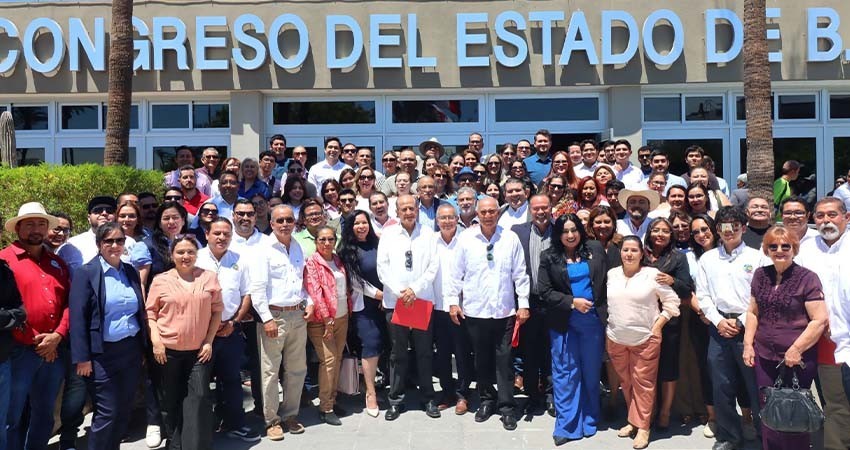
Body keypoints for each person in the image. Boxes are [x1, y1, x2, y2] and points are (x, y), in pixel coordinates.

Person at [446, 196, 530, 431]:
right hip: (475, 310)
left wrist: (523, 303)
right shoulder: (466, 239)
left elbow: (520, 274)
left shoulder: (510, 238)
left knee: (504, 360)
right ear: (477, 213)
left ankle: (506, 407)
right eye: (484, 212)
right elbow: (455, 274)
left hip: (504, 310)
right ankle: (486, 400)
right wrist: (453, 302)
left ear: (498, 213)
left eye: (492, 211)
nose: (488, 215)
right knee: (481, 359)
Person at [741, 225, 827, 450]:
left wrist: (796, 349)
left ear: (794, 249)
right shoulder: (760, 275)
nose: (779, 250)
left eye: (785, 246)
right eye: (773, 246)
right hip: (764, 356)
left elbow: (819, 320)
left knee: (793, 413)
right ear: (766, 249)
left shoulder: (808, 278)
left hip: (797, 358)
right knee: (768, 409)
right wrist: (748, 345)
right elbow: (752, 312)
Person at [69, 222, 147, 450]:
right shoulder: (87, 273)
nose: (115, 245)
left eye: (119, 241)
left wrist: (142, 348)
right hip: (101, 354)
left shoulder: (130, 271)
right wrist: (82, 358)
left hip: (130, 350)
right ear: (99, 244)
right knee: (107, 411)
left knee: (124, 409)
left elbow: (139, 311)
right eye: (109, 241)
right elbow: (77, 318)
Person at [696, 206, 766, 450]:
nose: (729, 231)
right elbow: (703, 296)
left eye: (735, 226)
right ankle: (729, 437)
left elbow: (761, 296)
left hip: (748, 328)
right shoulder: (707, 259)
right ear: (718, 229)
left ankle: (762, 435)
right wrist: (718, 321)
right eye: (724, 226)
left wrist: (741, 321)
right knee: (722, 385)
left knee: (755, 386)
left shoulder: (757, 257)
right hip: (718, 328)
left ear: (743, 228)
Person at [146, 234, 223, 450]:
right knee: (170, 400)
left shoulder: (208, 278)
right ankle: (174, 442)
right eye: (180, 252)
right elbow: (150, 313)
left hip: (199, 352)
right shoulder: (161, 280)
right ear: (172, 255)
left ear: (197, 254)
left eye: (190, 251)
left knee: (198, 398)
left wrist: (209, 341)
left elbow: (217, 311)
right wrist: (156, 342)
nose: (186, 256)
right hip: (167, 350)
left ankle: (195, 445)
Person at [1, 203, 67, 450]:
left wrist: (58, 335)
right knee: (11, 416)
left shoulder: (57, 263)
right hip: (18, 351)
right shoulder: (4, 260)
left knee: (44, 414)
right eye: (29, 224)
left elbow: (70, 303)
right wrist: (38, 339)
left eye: (41, 224)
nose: (36, 229)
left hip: (53, 351)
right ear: (18, 228)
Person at [538, 214, 608, 445]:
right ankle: (567, 425)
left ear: (580, 230)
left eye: (574, 230)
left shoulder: (595, 249)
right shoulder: (549, 257)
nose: (570, 235)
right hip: (564, 323)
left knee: (590, 372)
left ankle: (589, 419)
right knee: (566, 373)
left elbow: (608, 280)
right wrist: (572, 301)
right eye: (565, 231)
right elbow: (545, 292)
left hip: (593, 323)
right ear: (558, 234)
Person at [606, 236, 680, 449]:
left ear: (642, 254)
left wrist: (657, 326)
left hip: (645, 339)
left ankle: (644, 427)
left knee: (643, 384)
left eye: (633, 250)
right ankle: (633, 420)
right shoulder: (612, 274)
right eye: (625, 250)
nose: (629, 254)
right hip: (616, 337)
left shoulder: (652, 275)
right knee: (626, 382)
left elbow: (672, 302)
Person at [249, 205, 312, 441]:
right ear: (272, 223)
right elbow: (257, 289)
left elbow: (301, 282)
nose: (285, 224)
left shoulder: (296, 246)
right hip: (274, 317)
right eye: (280, 220)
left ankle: (290, 415)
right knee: (270, 371)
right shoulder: (262, 249)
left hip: (297, 314)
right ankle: (272, 420)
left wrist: (310, 302)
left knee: (297, 369)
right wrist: (266, 318)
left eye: (289, 220)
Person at [195, 218, 259, 442]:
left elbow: (246, 294)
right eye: (217, 233)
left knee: (231, 381)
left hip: (230, 331)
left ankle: (235, 424)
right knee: (199, 385)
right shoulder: (196, 258)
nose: (222, 238)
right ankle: (201, 429)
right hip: (200, 335)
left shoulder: (239, 261)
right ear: (207, 235)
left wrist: (234, 322)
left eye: (226, 234)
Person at [376, 195, 440, 420]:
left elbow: (433, 266)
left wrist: (414, 289)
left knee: (424, 352)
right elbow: (382, 267)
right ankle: (396, 400)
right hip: (396, 302)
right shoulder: (388, 234)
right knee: (398, 353)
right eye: (404, 209)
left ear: (417, 209)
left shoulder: (429, 234)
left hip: (421, 300)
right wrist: (400, 291)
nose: (408, 212)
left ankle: (428, 398)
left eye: (412, 208)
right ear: (397, 211)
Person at [797, 197, 850, 450]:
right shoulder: (805, 251)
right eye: (820, 216)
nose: (826, 221)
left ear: (846, 217)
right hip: (829, 342)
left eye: (832, 215)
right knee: (836, 404)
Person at [642, 218, 694, 430]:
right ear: (650, 232)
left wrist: (673, 281)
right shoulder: (641, 254)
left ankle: (665, 412)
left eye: (665, 231)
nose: (660, 234)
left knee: (668, 368)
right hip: (642, 319)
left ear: (671, 235)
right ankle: (649, 410)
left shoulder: (678, 258)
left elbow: (686, 288)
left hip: (669, 320)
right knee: (646, 369)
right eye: (656, 230)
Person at [338, 210, 385, 418]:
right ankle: (370, 393)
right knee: (371, 345)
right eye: (356, 223)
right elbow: (356, 282)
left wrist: (388, 296)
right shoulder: (347, 250)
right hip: (365, 305)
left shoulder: (378, 244)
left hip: (386, 303)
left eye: (364, 222)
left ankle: (384, 386)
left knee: (385, 344)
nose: (361, 226)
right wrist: (380, 295)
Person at [511, 195, 555, 415]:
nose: (540, 212)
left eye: (544, 207)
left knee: (552, 350)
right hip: (528, 301)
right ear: (530, 209)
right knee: (529, 352)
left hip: (554, 303)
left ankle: (550, 394)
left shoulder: (560, 231)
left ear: (551, 208)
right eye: (536, 208)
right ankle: (532, 396)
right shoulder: (517, 232)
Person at [303, 226, 351, 425]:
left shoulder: (337, 260)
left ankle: (332, 399)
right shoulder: (312, 263)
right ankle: (325, 407)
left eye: (330, 239)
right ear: (316, 242)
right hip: (323, 321)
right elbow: (315, 292)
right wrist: (326, 318)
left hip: (342, 316)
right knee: (328, 362)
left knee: (337, 360)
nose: (326, 243)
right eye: (322, 239)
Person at [432, 203, 475, 414]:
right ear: (437, 221)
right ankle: (447, 391)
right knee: (442, 354)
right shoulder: (431, 242)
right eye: (443, 218)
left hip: (461, 307)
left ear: (457, 219)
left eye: (451, 217)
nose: (447, 221)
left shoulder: (467, 240)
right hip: (437, 306)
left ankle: (463, 394)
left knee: (462, 352)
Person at [60, 196, 126, 272]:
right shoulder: (71, 245)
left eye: (109, 211)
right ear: (89, 218)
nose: (104, 213)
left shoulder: (130, 243)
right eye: (98, 210)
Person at [0, 255, 24, 450]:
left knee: (1, 423)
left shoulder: (4, 270)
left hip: (2, 359)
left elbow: (20, 311)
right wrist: (7, 316)